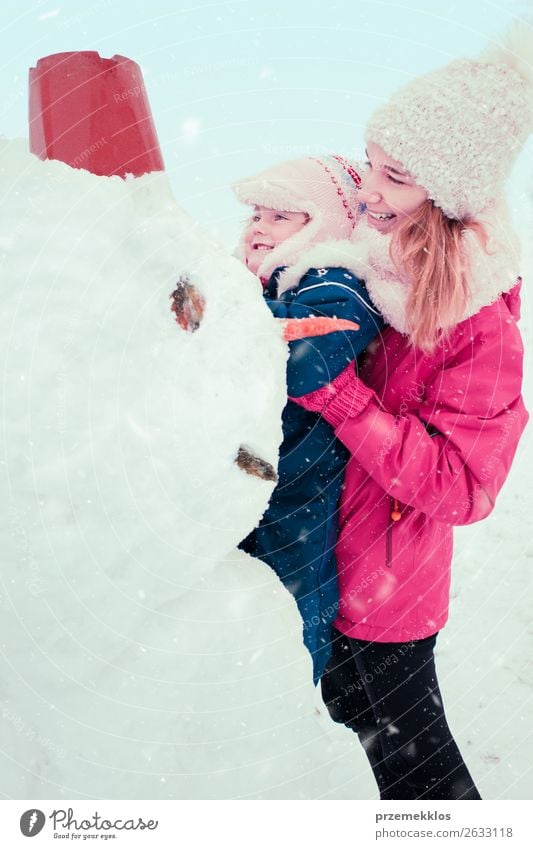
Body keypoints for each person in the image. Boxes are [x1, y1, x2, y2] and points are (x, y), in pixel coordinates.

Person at [290, 24, 531, 799]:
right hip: (323, 566)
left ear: (446, 194)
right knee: (349, 718)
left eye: (394, 177)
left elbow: (463, 485)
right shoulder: (368, 274)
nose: (369, 190)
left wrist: (340, 398)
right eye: (371, 164)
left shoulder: (481, 328)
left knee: (415, 771)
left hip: (390, 594)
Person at [233, 155, 384, 683]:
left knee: (292, 602)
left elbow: (310, 362)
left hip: (300, 489)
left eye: (281, 217)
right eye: (256, 213)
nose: (259, 226)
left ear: (322, 223)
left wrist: (226, 313)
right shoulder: (268, 289)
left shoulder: (336, 280)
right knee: (238, 600)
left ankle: (294, 695)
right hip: (257, 478)